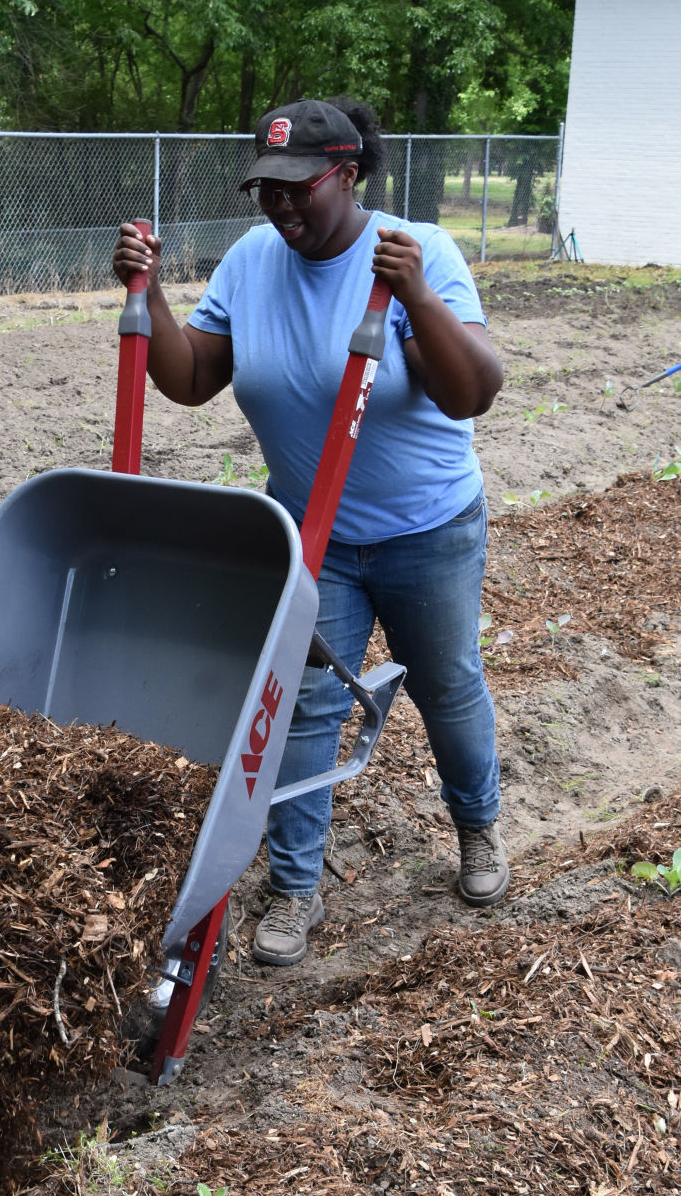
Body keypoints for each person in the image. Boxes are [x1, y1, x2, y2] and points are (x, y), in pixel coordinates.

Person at [112, 96, 508, 967]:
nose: (283, 206)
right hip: (311, 532)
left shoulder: (416, 252)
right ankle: (294, 886)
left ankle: (477, 830)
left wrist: (413, 299)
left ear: (350, 173)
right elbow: (189, 380)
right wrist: (151, 295)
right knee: (303, 711)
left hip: (425, 527)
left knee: (445, 685)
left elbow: (472, 390)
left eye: (301, 188)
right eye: (268, 189)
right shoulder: (252, 262)